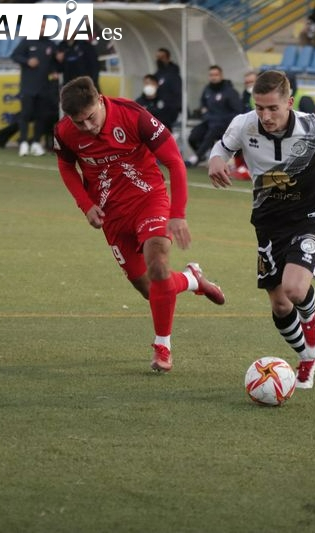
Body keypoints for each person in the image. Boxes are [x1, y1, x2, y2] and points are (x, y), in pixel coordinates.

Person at [53, 76, 225, 372]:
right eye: (79, 122)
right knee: (150, 288)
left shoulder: (134, 116)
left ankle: (162, 347)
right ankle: (192, 279)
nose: (88, 126)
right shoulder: (64, 132)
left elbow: (175, 162)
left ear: (100, 100)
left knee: (158, 264)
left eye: (91, 117)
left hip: (149, 199)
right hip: (111, 215)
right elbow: (66, 167)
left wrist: (177, 213)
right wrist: (86, 204)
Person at [207, 69, 315, 390]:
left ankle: (311, 320)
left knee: (294, 289)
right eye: (259, 107)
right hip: (268, 220)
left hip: (310, 215)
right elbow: (222, 148)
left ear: (289, 103)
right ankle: (307, 358)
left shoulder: (312, 125)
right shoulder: (244, 124)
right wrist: (215, 159)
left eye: (273, 108)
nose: (265, 116)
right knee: (280, 304)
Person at [10, 19, 61, 156]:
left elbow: (54, 64)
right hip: (28, 86)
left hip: (44, 87)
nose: (43, 29)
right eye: (41, 26)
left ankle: (36, 143)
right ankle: (23, 142)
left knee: (41, 116)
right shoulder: (27, 41)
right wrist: (27, 61)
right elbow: (15, 56)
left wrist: (55, 70)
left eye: (45, 26)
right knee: (26, 114)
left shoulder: (50, 44)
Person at [186, 65, 242, 167]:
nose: (213, 77)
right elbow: (203, 105)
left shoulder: (230, 92)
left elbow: (237, 111)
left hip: (224, 124)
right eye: (211, 75)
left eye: (216, 75)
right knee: (193, 136)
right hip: (209, 121)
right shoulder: (207, 90)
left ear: (221, 76)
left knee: (212, 131)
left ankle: (195, 158)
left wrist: (222, 119)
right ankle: (204, 155)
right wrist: (204, 113)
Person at [153, 48, 182, 128]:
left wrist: (177, 109)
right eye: (157, 57)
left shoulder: (173, 75)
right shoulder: (157, 75)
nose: (159, 60)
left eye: (162, 57)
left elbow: (178, 94)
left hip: (169, 111)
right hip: (158, 108)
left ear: (168, 59)